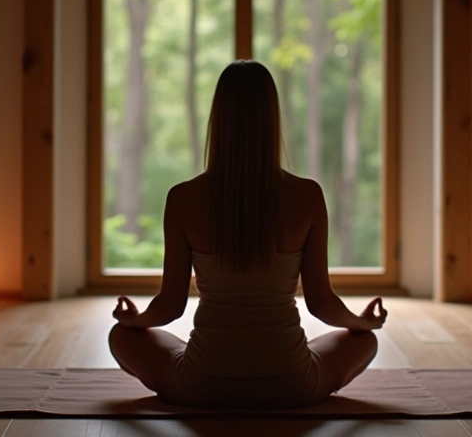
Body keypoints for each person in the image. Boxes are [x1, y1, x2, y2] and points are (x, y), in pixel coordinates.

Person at [108, 59, 387, 409]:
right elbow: (321, 303)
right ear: (272, 120)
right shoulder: (307, 196)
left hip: (201, 385)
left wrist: (135, 320)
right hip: (292, 386)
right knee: (365, 342)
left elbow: (169, 306)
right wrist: (362, 322)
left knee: (121, 337)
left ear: (218, 119)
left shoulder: (183, 198)